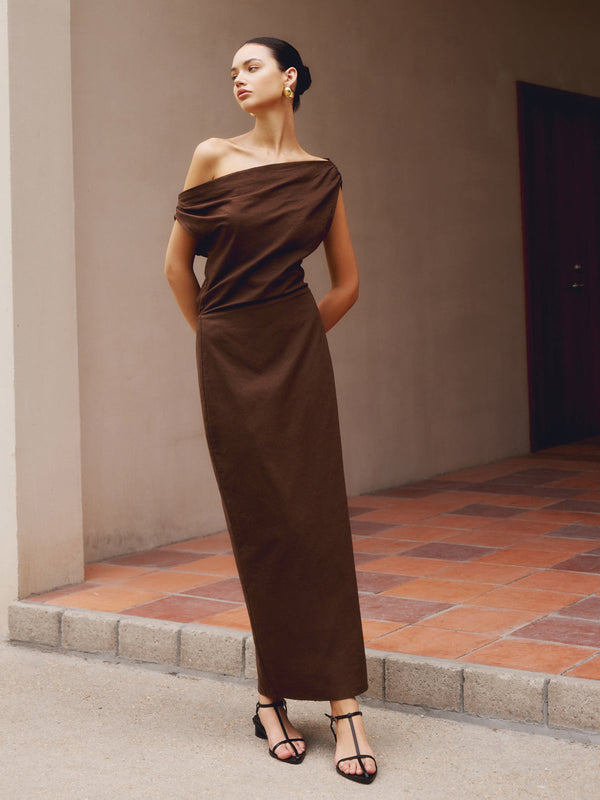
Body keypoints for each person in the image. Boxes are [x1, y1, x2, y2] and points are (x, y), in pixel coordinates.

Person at [164, 36, 377, 785]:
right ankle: (271, 697)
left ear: (289, 78)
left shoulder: (321, 176)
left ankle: (344, 706)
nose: (237, 78)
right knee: (263, 527)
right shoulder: (213, 155)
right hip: (229, 355)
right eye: (231, 71)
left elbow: (347, 284)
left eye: (251, 66)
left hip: (298, 356)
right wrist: (218, 342)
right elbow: (176, 267)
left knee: (315, 523)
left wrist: (296, 339)